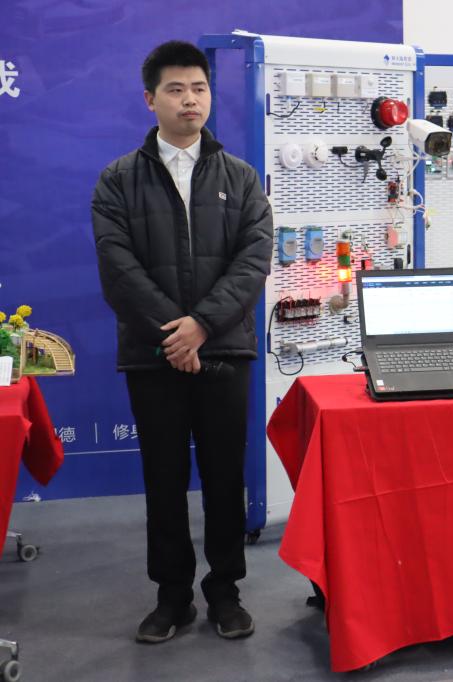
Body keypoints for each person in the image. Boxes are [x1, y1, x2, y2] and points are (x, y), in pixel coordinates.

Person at [92, 40, 272, 643]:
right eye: (175, 89)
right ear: (151, 99)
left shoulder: (241, 178)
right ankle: (172, 596)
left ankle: (225, 591)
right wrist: (176, 333)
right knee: (163, 479)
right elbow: (117, 267)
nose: (189, 99)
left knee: (224, 477)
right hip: (153, 353)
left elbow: (253, 261)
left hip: (223, 350)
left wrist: (202, 326)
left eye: (199, 88)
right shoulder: (118, 180)